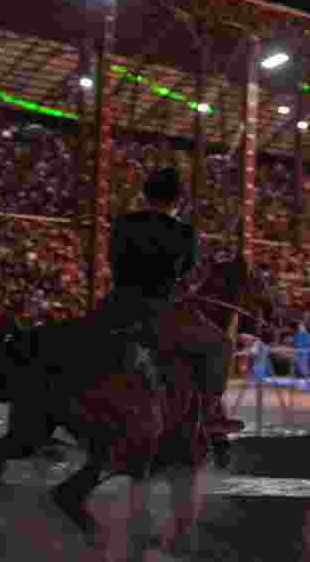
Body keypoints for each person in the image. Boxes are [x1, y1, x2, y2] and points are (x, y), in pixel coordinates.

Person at [91, 167, 241, 437]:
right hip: (160, 310)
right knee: (221, 346)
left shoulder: (122, 223)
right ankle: (208, 414)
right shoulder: (184, 233)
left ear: (145, 194)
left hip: (116, 303)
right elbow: (185, 272)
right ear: (178, 200)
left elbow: (111, 259)